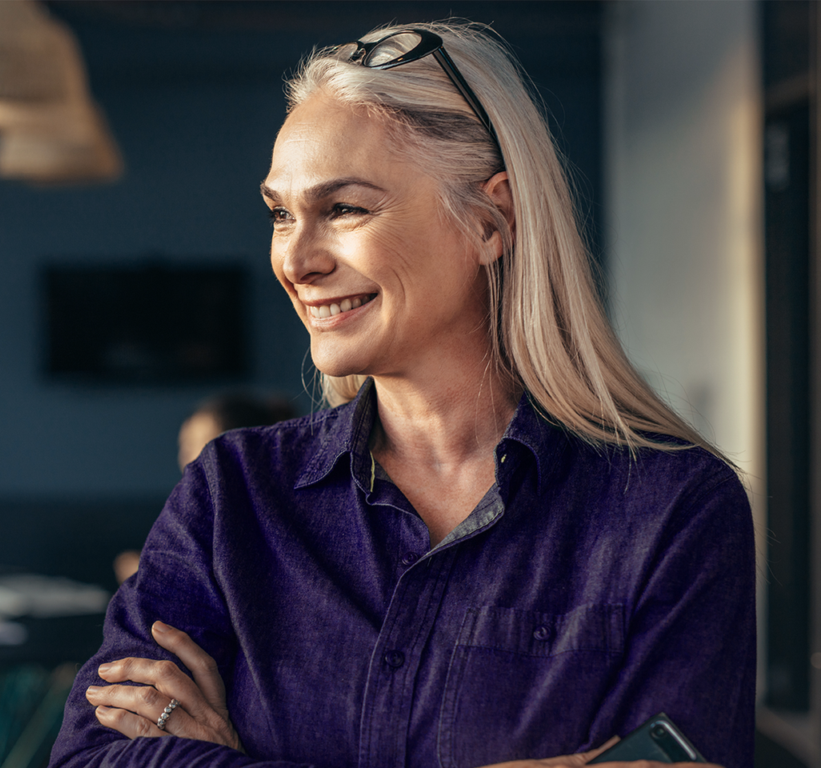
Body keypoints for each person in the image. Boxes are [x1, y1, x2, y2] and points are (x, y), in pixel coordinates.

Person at [50, 20, 755, 768]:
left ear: (491, 220)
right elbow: (90, 759)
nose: (295, 260)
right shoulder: (232, 495)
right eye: (281, 214)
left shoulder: (673, 510)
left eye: (344, 209)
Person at [114, 392, 297, 585]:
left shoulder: (257, 519)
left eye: (197, 444)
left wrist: (146, 577)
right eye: (184, 446)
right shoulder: (198, 512)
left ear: (239, 448)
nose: (187, 458)